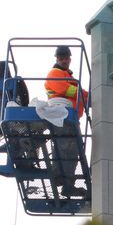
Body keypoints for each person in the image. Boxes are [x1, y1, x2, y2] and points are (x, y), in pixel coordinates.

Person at [44, 45, 88, 196]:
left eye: (66, 58)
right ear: (57, 59)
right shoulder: (55, 73)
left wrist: (85, 96)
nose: (63, 60)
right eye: (61, 58)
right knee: (63, 149)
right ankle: (59, 179)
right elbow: (67, 90)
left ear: (70, 58)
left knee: (72, 152)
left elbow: (73, 91)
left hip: (69, 118)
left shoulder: (66, 75)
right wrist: (86, 95)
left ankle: (68, 184)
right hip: (61, 116)